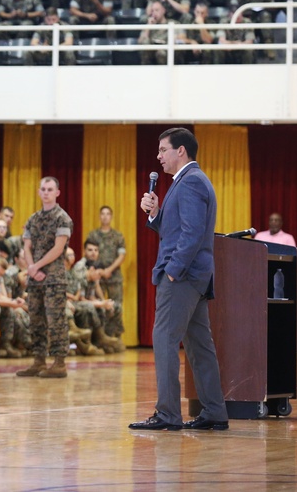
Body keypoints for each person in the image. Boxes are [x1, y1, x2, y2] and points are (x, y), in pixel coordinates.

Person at [132, 127, 229, 431]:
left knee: (163, 339)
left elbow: (192, 234)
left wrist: (173, 270)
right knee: (200, 346)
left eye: (163, 150)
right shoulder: (188, 182)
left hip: (182, 277)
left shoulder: (189, 183)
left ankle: (167, 415)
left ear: (181, 151)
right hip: (194, 276)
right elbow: (176, 230)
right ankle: (214, 411)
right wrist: (155, 214)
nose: (158, 156)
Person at [16, 177, 73, 379]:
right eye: (43, 189)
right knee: (36, 320)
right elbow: (27, 247)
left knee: (56, 320)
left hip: (54, 278)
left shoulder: (62, 218)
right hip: (35, 278)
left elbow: (58, 248)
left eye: (50, 189)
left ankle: (59, 363)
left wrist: (35, 267)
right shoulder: (33, 219)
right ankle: (38, 360)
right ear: (39, 192)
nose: (46, 192)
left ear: (57, 192)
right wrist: (31, 269)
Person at [87, 205, 127, 344]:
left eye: (108, 214)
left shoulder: (118, 236)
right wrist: (97, 271)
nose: (105, 216)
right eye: (102, 214)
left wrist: (109, 270)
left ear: (111, 216)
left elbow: (122, 256)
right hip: (97, 276)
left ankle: (115, 337)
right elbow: (88, 254)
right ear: (99, 216)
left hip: (114, 276)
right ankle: (100, 339)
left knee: (116, 307)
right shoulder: (93, 235)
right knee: (99, 305)